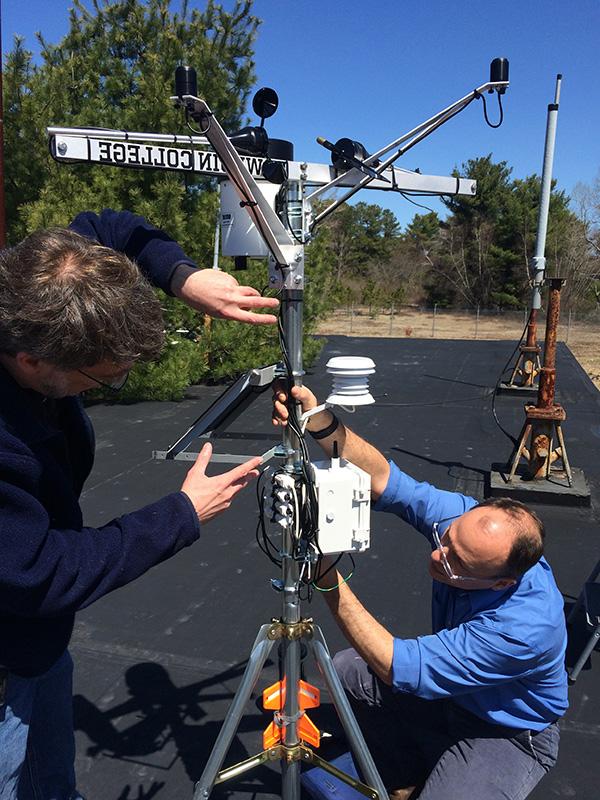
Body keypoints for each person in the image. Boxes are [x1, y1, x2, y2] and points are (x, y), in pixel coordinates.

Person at [0, 208, 279, 800]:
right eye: (104, 379)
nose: (111, 385)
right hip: (8, 650)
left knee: (53, 784)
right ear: (31, 362)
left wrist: (182, 277)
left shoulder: (44, 279)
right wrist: (178, 515)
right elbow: (38, 573)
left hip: (36, 642)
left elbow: (113, 228)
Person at [273, 383, 568, 800]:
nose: (438, 556)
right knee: (346, 671)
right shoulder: (467, 524)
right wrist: (318, 418)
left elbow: (398, 665)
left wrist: (325, 572)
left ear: (501, 582)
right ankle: (409, 771)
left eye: (456, 562)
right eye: (445, 540)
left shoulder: (523, 628)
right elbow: (382, 479)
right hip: (450, 701)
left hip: (504, 730)